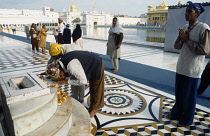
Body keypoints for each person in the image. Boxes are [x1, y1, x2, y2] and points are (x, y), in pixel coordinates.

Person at [166, 1, 210, 127]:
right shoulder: (185, 27)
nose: (186, 13)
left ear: (197, 14)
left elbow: (204, 50)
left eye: (189, 11)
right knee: (179, 93)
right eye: (186, 10)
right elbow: (176, 46)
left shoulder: (204, 28)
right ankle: (177, 113)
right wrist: (181, 39)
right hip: (181, 66)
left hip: (192, 69)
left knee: (189, 96)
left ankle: (187, 119)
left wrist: (187, 40)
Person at [46, 51, 104, 118]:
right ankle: (92, 106)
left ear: (61, 72)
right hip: (88, 64)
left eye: (60, 77)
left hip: (96, 63)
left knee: (96, 88)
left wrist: (65, 81)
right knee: (92, 87)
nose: (61, 78)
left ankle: (94, 109)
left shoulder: (71, 67)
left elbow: (83, 81)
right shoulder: (60, 63)